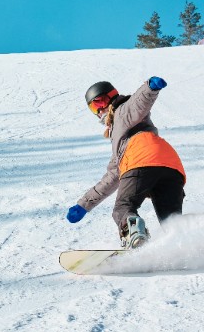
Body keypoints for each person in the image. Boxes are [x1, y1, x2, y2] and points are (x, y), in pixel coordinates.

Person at [65, 76, 185, 248]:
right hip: (171, 165)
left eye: (100, 102)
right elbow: (113, 176)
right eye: (94, 107)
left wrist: (150, 87)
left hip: (142, 160)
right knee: (171, 221)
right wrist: (84, 205)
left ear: (112, 97)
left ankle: (135, 236)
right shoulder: (120, 141)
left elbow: (138, 102)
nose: (99, 110)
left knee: (123, 207)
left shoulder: (122, 112)